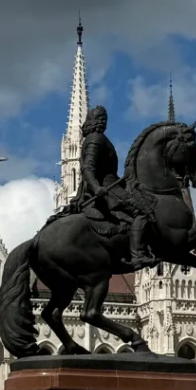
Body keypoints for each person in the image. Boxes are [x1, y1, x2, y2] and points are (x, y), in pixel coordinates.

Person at [59, 105, 157, 269]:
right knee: (142, 211)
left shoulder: (97, 139)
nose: (104, 121)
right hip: (108, 189)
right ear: (95, 121)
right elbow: (88, 169)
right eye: (101, 118)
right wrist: (97, 188)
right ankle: (138, 254)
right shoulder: (95, 139)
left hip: (112, 185)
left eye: (105, 118)